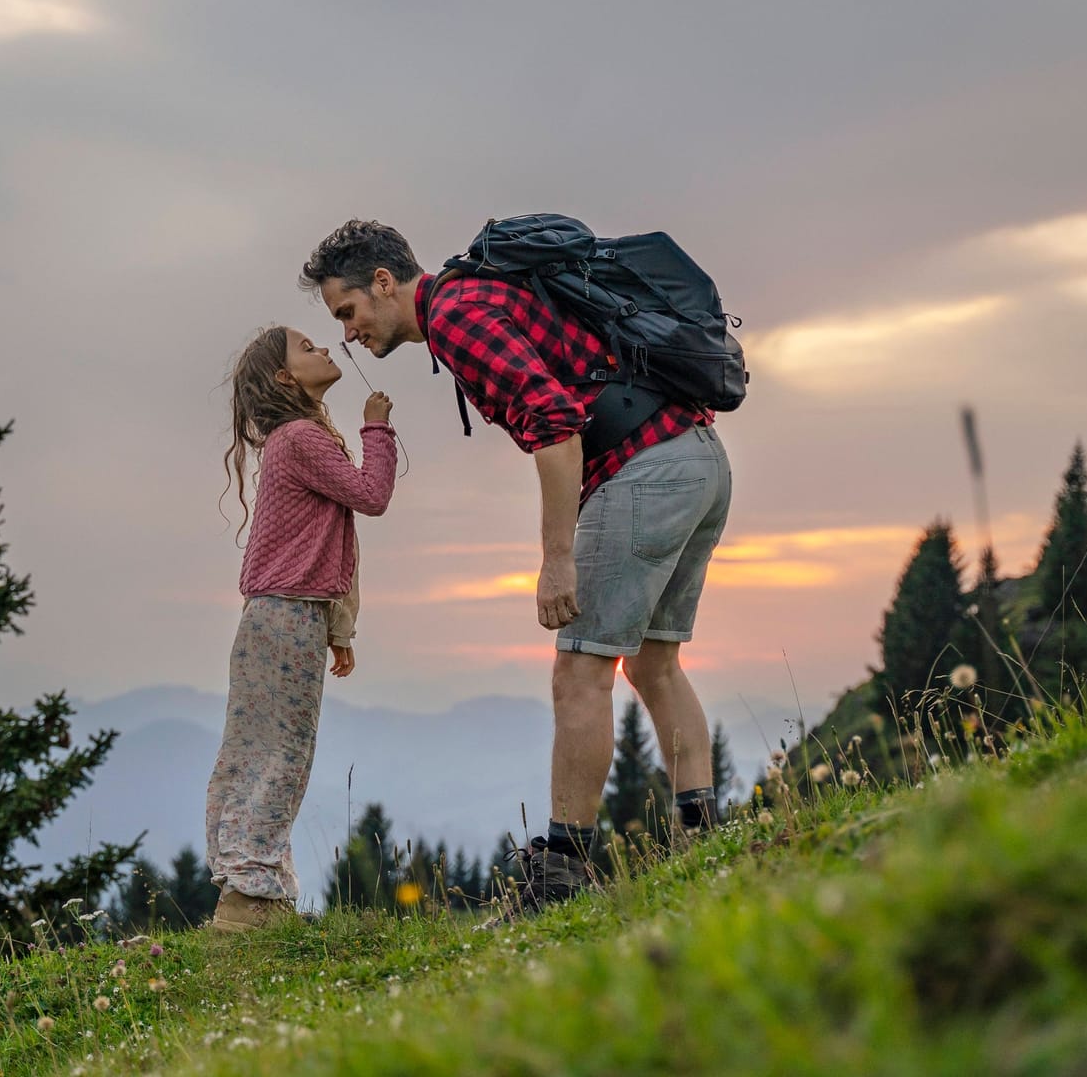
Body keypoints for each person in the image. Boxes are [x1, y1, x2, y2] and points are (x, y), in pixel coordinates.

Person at [300, 220, 732, 913]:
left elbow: (554, 426)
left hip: (646, 471)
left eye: (347, 311)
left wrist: (557, 559)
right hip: (699, 459)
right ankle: (707, 839)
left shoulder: (458, 314)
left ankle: (559, 874)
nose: (349, 333)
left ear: (384, 283)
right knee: (655, 662)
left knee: (580, 671)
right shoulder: (480, 293)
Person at [204, 325, 397, 932]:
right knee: (279, 755)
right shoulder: (302, 438)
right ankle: (248, 901)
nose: (324, 349)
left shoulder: (295, 439)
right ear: (287, 378)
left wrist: (338, 628)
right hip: (286, 615)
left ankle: (257, 896)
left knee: (261, 752)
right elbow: (372, 496)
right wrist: (377, 427)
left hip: (282, 614)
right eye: (307, 348)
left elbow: (325, 538)